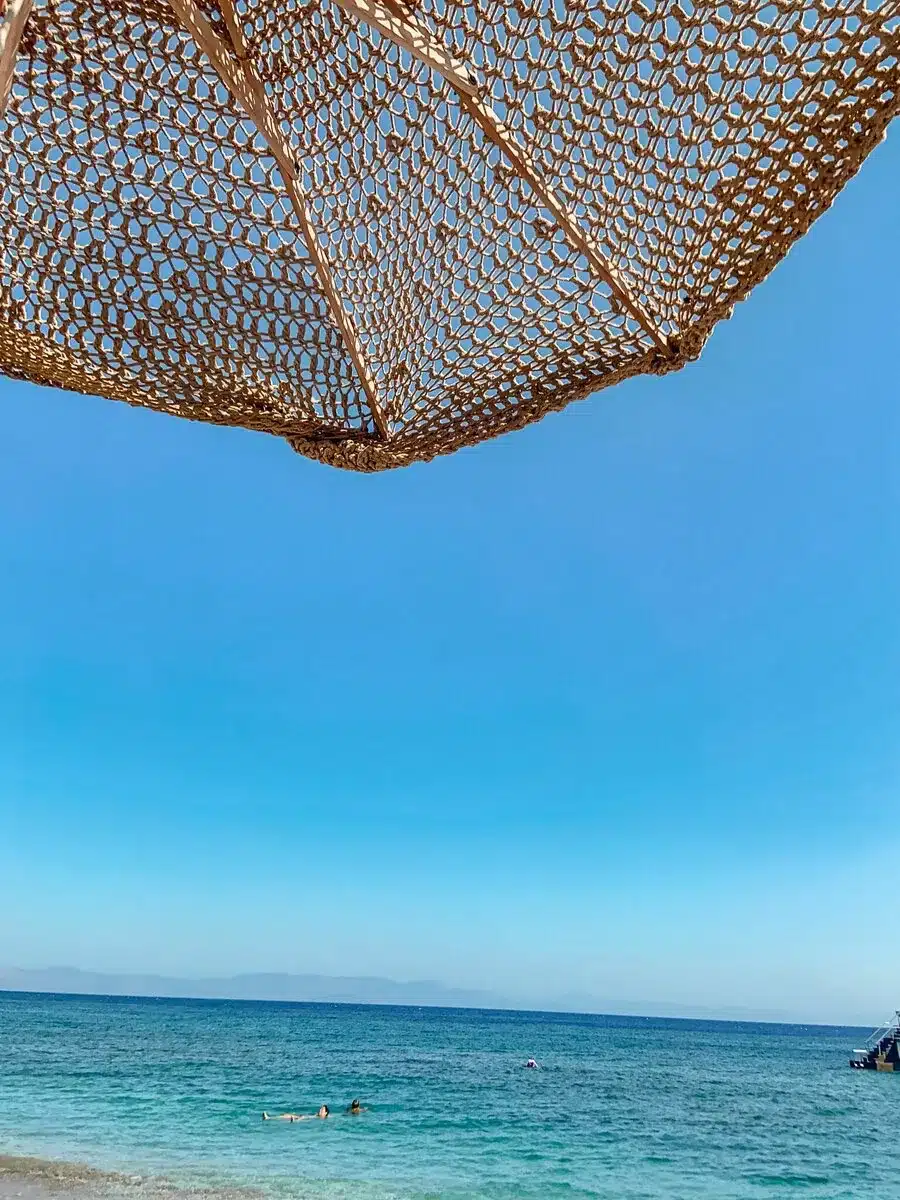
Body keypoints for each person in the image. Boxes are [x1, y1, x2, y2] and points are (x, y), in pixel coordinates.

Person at [263, 1105, 329, 1121]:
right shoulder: (317, 1115)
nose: (320, 1110)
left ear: (325, 1112)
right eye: (320, 1108)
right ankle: (269, 1117)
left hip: (304, 1118)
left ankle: (295, 1121)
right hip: (302, 1116)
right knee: (285, 1115)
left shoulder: (324, 1117)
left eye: (322, 1109)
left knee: (301, 1119)